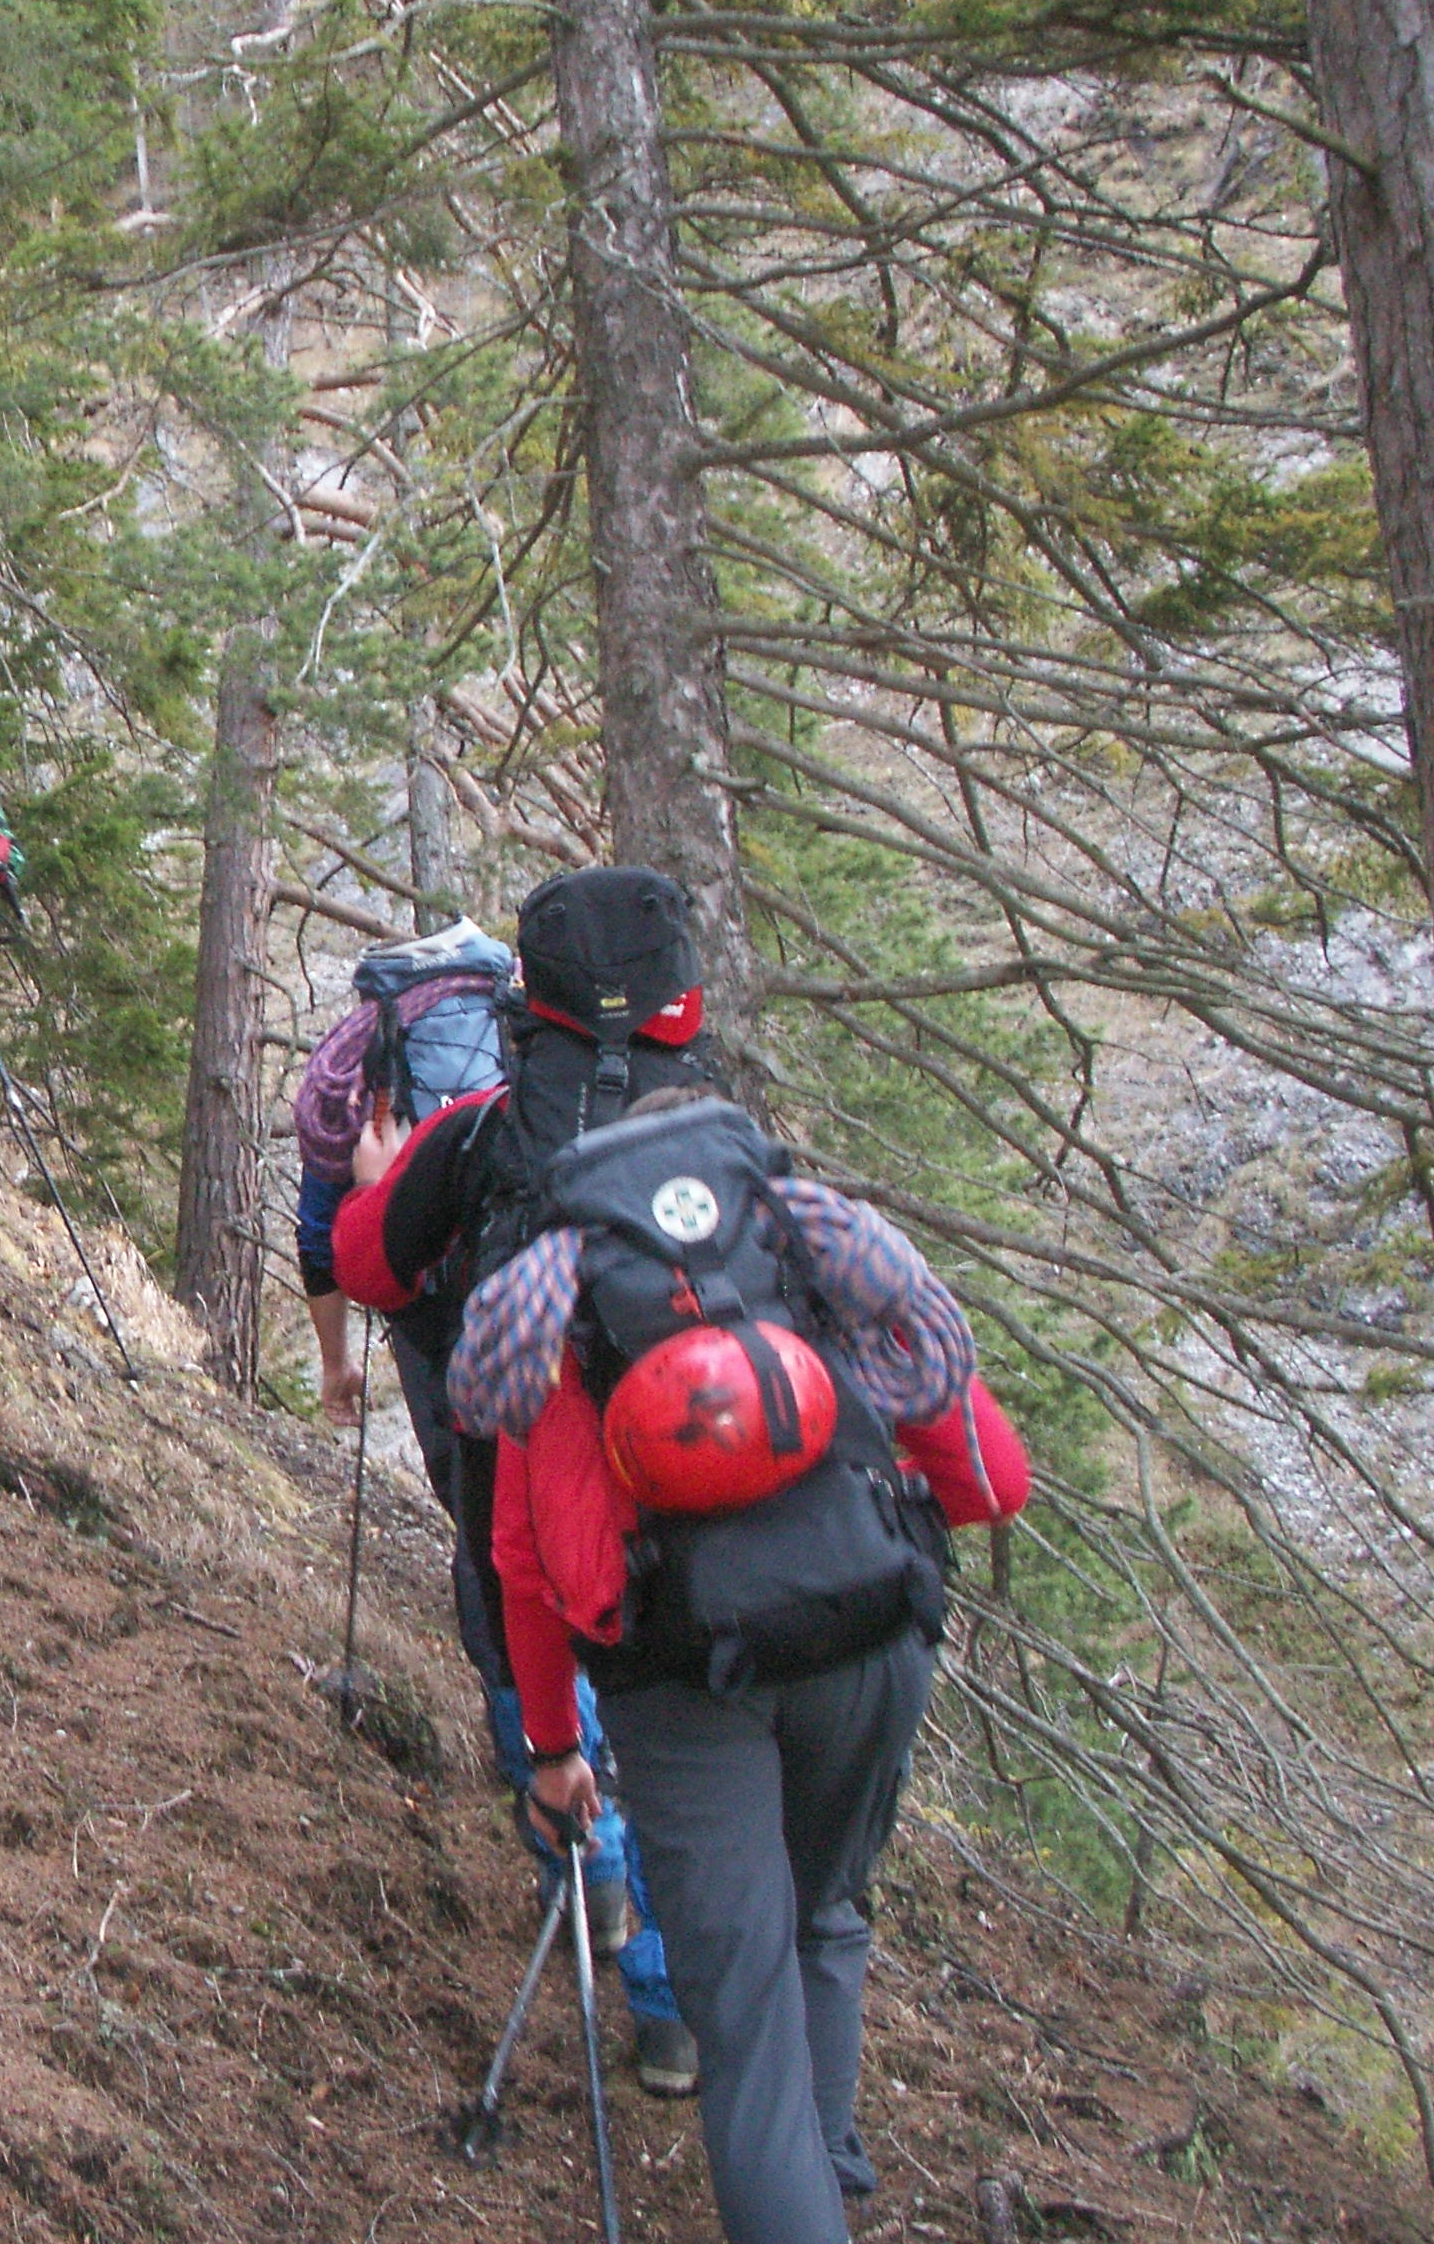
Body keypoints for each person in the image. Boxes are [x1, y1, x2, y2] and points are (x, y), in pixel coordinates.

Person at [431, 1085, 1029, 2244]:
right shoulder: (810, 1259)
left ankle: (801, 2199)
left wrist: (553, 1750)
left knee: (746, 2024)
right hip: (867, 1643)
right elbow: (993, 1481)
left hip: (680, 1686)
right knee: (826, 1913)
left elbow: (525, 1561)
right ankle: (828, 2176)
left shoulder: (564, 1306)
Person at [309, 903, 703, 2096]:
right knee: (679, 1738)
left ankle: (590, 1891)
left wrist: (378, 1185)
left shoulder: (477, 1133)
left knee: (525, 1641)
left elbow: (363, 1263)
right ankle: (677, 2015)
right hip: (689, 1509)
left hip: (515, 1480)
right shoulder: (720, 1138)